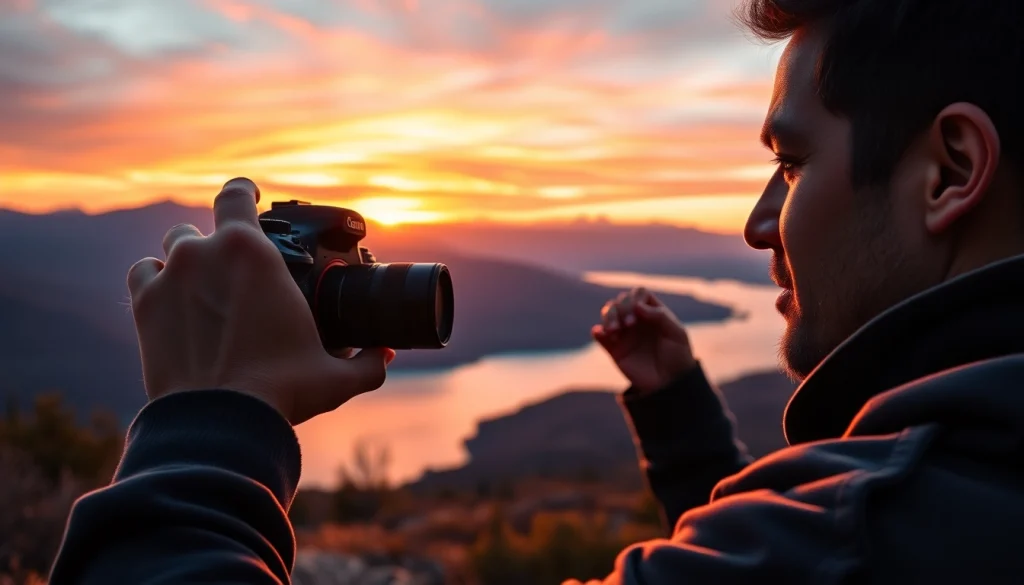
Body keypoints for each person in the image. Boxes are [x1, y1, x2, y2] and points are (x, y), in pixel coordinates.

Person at [46, 0, 1024, 582]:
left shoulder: (864, 538)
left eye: (793, 163)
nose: (760, 222)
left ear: (947, 170)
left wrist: (205, 423)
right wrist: (682, 422)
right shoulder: (956, 488)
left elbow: (831, 546)